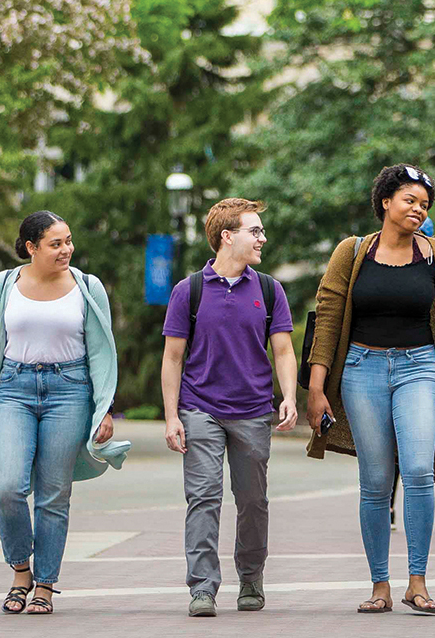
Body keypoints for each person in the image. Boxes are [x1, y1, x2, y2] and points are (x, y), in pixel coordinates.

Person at [304, 164, 435, 616]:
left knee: (417, 470)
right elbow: (329, 318)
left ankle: (418, 581)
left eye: (424, 204)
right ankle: (380, 585)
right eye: (410, 200)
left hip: (420, 368)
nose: (418, 209)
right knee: (375, 483)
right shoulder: (351, 252)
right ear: (385, 203)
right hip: (360, 369)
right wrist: (316, 390)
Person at [0, 210, 129, 615]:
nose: (66, 249)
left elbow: (102, 354)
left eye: (68, 241)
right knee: (8, 486)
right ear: (31, 247)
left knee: (53, 495)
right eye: (56, 243)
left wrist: (105, 410)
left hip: (69, 392)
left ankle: (45, 585)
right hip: (13, 390)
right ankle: (21, 570)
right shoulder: (2, 285)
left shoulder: (88, 287)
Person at [160, 198, 298, 618]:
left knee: (253, 500)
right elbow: (172, 358)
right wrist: (171, 416)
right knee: (203, 498)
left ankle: (251, 578)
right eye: (254, 231)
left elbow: (284, 350)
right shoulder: (190, 290)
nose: (262, 238)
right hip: (200, 408)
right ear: (227, 236)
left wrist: (288, 395)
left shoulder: (270, 290)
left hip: (254, 410)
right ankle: (202, 588)